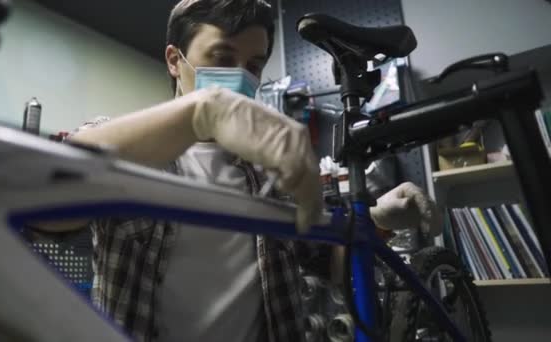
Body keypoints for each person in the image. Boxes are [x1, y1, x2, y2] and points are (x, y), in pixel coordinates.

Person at [41, 1, 440, 341]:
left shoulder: (269, 172)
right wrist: (201, 113)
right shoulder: (126, 145)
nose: (241, 76)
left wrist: (377, 219)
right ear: (174, 61)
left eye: (253, 64)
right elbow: (47, 201)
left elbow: (327, 258)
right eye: (222, 57)